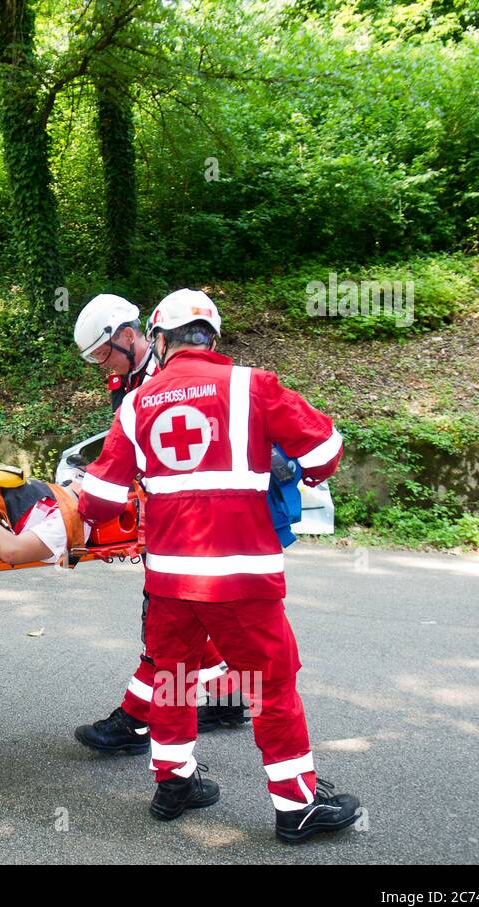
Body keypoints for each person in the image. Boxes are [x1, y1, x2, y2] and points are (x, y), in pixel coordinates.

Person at [77, 288, 361, 843]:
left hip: (168, 577)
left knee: (173, 677)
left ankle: (173, 782)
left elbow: (99, 500)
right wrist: (289, 470)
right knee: (272, 686)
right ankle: (296, 805)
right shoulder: (254, 386)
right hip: (241, 576)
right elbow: (326, 452)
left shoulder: (136, 403)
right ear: (213, 337)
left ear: (159, 339)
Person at [71, 294, 246, 754]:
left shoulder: (172, 378)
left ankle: (136, 720)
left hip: (185, 522)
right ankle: (226, 697)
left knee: (165, 619)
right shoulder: (127, 380)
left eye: (103, 353)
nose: (101, 365)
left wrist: (87, 510)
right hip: (170, 517)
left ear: (130, 336)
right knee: (190, 612)